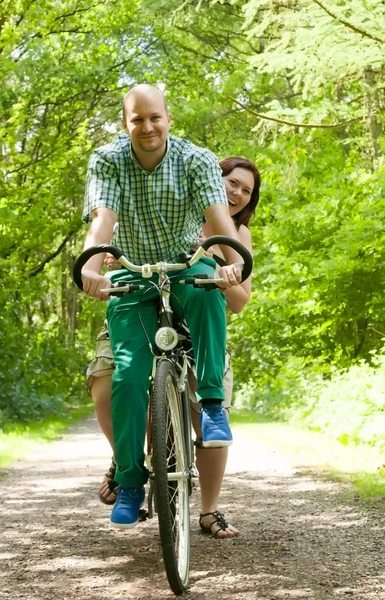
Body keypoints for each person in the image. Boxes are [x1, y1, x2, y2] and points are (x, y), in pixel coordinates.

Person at [81, 83, 248, 530]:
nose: (147, 126)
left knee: (208, 289)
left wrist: (232, 265)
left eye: (155, 117)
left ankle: (210, 403)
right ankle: (132, 481)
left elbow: (218, 220)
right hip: (133, 273)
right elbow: (102, 225)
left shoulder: (195, 160)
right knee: (129, 374)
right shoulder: (108, 161)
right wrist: (91, 269)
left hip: (184, 264)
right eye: (137, 119)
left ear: (168, 119)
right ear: (125, 124)